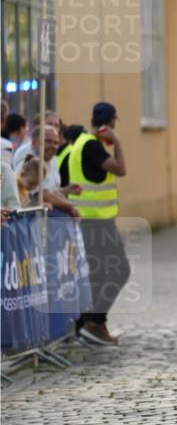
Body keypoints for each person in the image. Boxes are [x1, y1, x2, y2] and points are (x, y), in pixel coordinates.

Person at [68, 102, 130, 347]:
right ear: (109, 122)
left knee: (98, 275)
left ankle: (86, 326)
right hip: (96, 223)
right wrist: (117, 141)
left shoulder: (82, 143)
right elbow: (121, 169)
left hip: (89, 221)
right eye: (115, 119)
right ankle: (94, 322)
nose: (116, 123)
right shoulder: (92, 145)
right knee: (120, 271)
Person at [15, 126, 80, 217]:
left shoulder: (52, 160)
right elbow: (42, 194)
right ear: (34, 142)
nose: (53, 146)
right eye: (48, 141)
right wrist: (69, 207)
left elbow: (51, 190)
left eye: (56, 143)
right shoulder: (30, 162)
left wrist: (66, 190)